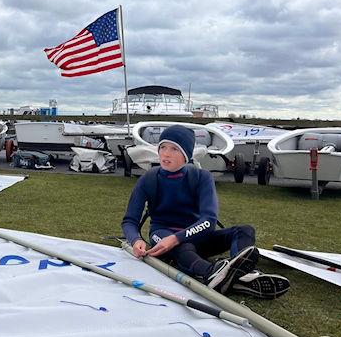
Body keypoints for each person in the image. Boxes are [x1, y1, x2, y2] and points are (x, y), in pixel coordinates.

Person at [121, 125, 289, 299]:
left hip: (195, 235)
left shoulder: (202, 177)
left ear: (186, 154)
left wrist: (177, 237)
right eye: (163, 147)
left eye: (174, 149)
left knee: (245, 230)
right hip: (162, 235)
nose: (166, 154)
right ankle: (212, 273)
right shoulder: (148, 178)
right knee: (182, 246)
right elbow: (130, 221)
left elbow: (209, 221)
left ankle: (240, 275)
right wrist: (135, 240)